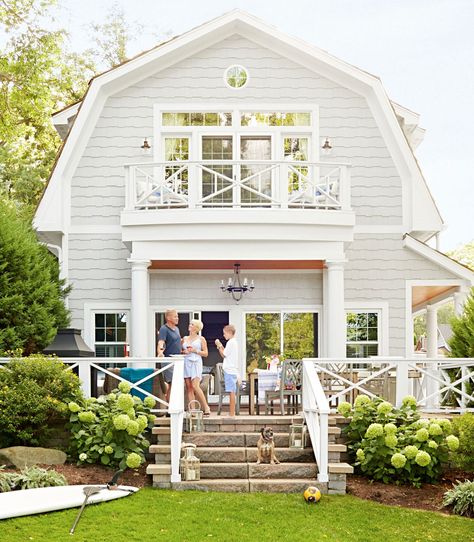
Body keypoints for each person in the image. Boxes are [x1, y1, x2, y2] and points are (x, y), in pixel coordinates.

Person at [183, 319, 211, 416]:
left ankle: (206, 407)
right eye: (190, 323)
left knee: (195, 385)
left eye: (192, 324)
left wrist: (195, 350)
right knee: (189, 387)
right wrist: (184, 352)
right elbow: (180, 351)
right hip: (186, 362)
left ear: (196, 328)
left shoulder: (201, 339)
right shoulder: (184, 338)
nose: (189, 325)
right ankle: (193, 410)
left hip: (196, 363)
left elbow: (206, 353)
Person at [157, 309, 181, 403]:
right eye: (175, 316)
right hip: (169, 360)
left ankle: (172, 405)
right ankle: (169, 406)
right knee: (172, 383)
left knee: (175, 384)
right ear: (168, 317)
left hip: (178, 360)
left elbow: (176, 342)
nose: (177, 318)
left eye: (177, 316)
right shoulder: (164, 329)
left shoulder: (177, 329)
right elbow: (161, 342)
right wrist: (160, 352)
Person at [215, 324, 239, 417]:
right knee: (231, 391)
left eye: (224, 333)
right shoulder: (233, 342)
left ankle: (232, 413)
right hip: (231, 370)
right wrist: (220, 347)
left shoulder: (231, 342)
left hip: (229, 370)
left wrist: (219, 345)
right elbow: (225, 353)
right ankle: (232, 413)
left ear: (229, 333)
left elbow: (224, 354)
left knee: (231, 391)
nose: (224, 335)